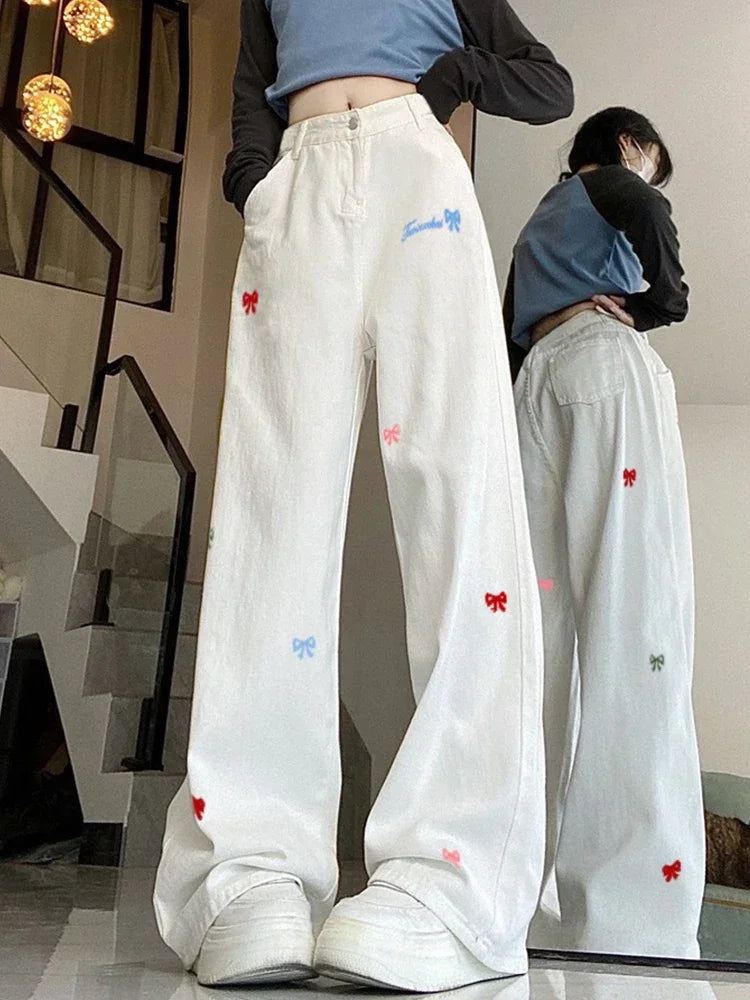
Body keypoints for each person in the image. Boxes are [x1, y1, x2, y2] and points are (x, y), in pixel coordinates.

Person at [152, 0, 574, 990]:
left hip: (417, 176)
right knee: (269, 514)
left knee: (459, 504)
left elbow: (546, 82)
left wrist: (451, 80)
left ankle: (456, 878)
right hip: (296, 186)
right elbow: (252, 86)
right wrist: (254, 181)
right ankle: (249, 866)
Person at [504, 107, 705, 958]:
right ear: (626, 146)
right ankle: (630, 918)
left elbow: (508, 327)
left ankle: (518, 893)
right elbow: (649, 211)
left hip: (537, 387)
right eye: (650, 162)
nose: (650, 180)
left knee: (533, 633)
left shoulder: (539, 223)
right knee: (636, 616)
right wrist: (659, 305)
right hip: (600, 367)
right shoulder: (612, 183)